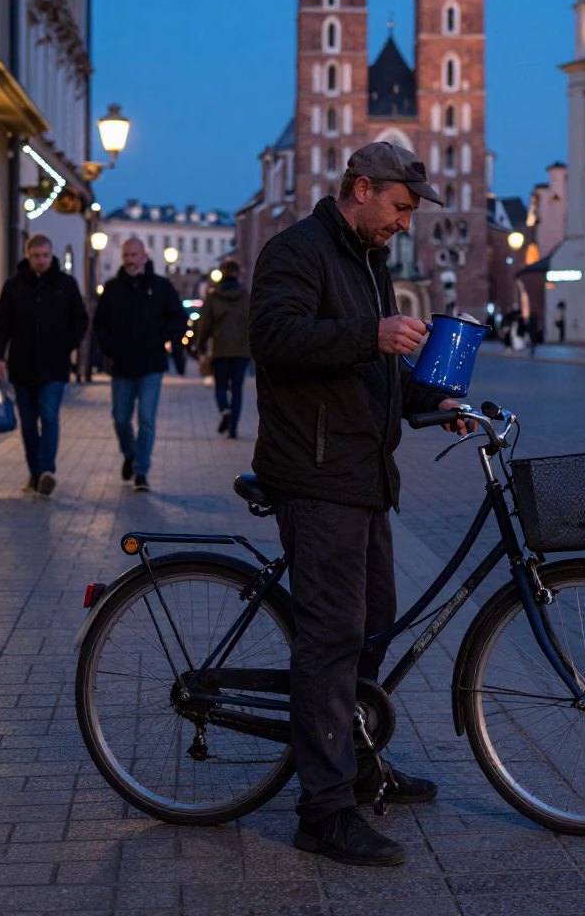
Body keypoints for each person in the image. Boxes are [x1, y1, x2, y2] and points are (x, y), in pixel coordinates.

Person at [249, 142, 469, 868]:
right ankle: (324, 812)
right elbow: (274, 338)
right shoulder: (297, 250)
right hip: (314, 475)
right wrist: (369, 334)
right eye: (400, 208)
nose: (406, 223)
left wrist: (435, 401)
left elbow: (380, 372)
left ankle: (361, 762)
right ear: (363, 188)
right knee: (332, 637)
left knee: (374, 623)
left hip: (363, 476)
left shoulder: (370, 263)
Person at [0, 234, 87, 495]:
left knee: (49, 414)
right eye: (36, 256)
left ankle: (46, 470)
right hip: (22, 364)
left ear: (51, 254)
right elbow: (2, 323)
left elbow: (80, 319)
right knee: (28, 422)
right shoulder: (14, 286)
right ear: (28, 256)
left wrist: (67, 345)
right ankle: (34, 473)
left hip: (54, 364)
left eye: (45, 255)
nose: (41, 261)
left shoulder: (65, 284)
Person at [94, 237, 185, 492]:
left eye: (134, 255)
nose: (130, 260)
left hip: (151, 364)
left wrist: (162, 337)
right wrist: (109, 348)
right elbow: (99, 324)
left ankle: (141, 471)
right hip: (121, 364)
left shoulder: (160, 286)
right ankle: (130, 453)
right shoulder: (112, 288)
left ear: (144, 256)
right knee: (121, 419)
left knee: (146, 419)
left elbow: (179, 318)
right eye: (126, 255)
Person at [195, 257, 251, 438]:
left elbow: (204, 324)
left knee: (220, 386)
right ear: (238, 274)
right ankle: (233, 426)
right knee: (237, 389)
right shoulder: (246, 297)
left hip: (220, 349)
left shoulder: (213, 297)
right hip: (242, 350)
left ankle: (225, 411)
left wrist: (200, 345)